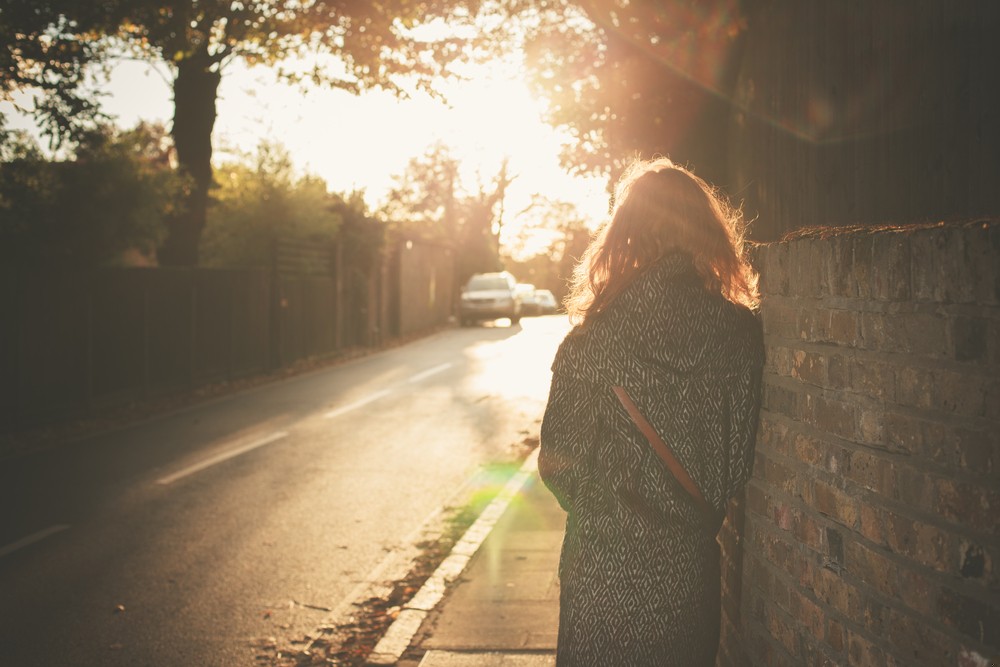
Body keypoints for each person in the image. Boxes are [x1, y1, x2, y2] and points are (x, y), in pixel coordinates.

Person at [539, 157, 765, 666]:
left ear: (626, 235)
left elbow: (557, 464)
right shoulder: (740, 335)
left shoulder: (591, 340)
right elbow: (734, 469)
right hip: (687, 571)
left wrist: (608, 515)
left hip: (601, 566)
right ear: (707, 231)